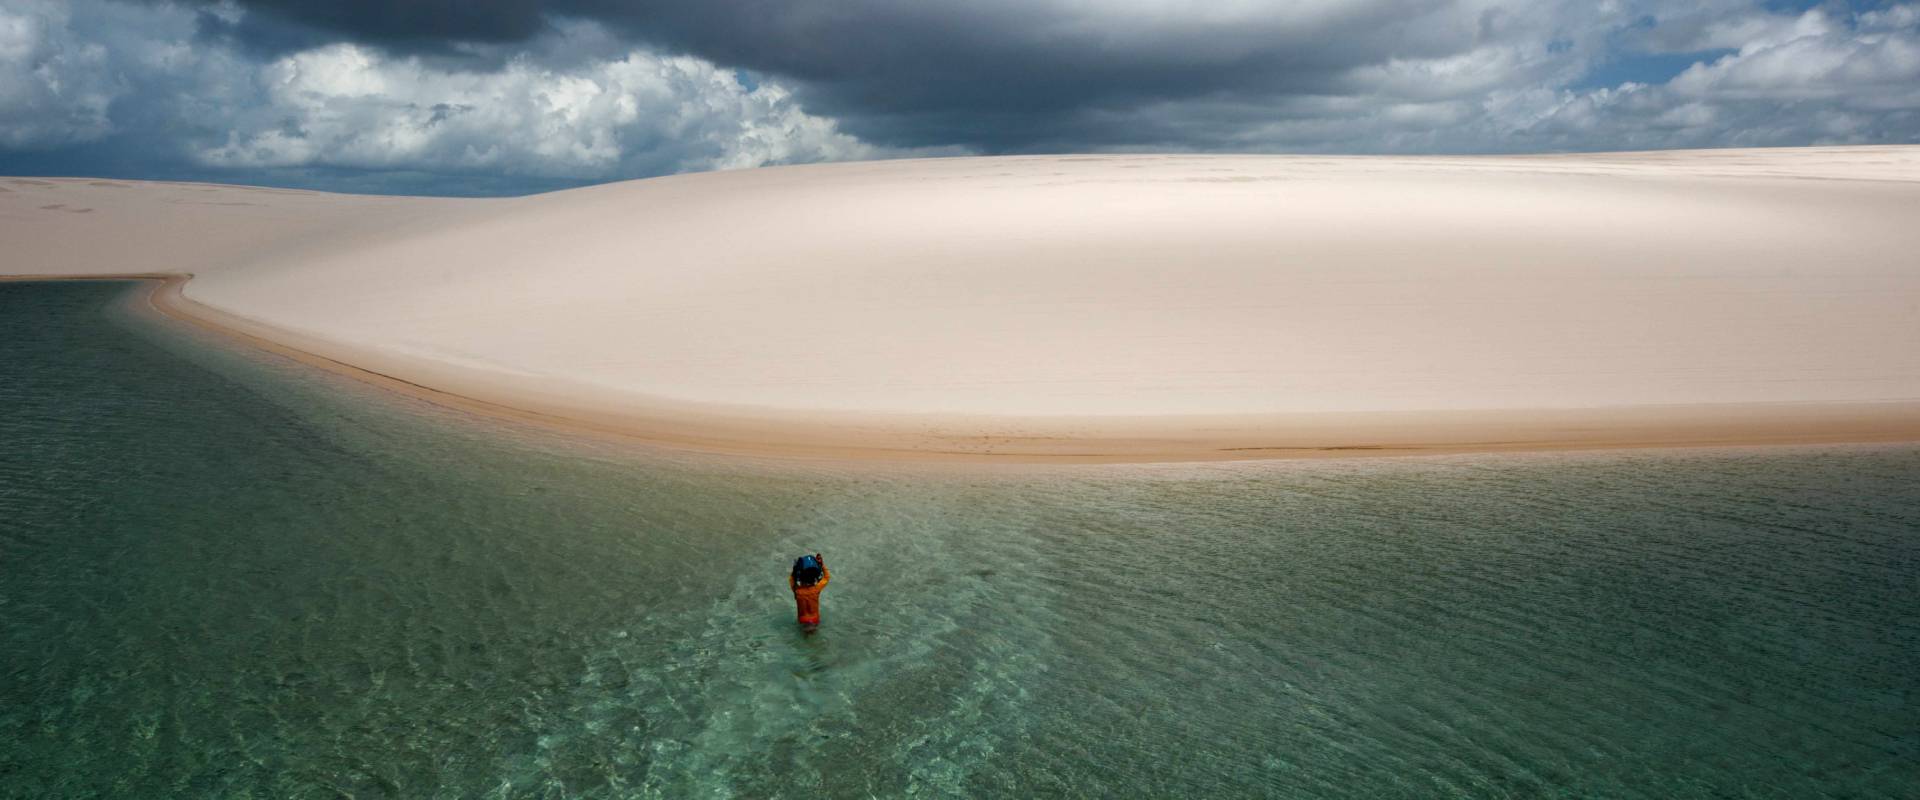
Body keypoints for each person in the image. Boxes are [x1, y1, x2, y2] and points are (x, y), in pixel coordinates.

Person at [790, 552, 830, 631]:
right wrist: (822, 565)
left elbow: (791, 579)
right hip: (815, 619)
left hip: (802, 620)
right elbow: (827, 577)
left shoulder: (797, 590)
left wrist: (795, 569)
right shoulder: (817, 588)